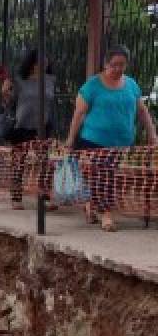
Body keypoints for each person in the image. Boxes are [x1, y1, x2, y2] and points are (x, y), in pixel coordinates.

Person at [64, 45, 158, 231]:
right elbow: (79, 114)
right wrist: (70, 139)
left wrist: (152, 133)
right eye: (114, 65)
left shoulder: (131, 84)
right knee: (104, 175)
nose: (118, 69)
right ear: (106, 63)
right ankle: (106, 215)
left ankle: (91, 205)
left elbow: (142, 111)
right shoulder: (92, 85)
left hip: (122, 142)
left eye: (122, 65)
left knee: (106, 176)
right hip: (94, 140)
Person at [2, 50, 56, 210]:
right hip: (21, 125)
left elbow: (52, 104)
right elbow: (10, 104)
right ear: (32, 64)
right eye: (41, 63)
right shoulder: (19, 81)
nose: (44, 66)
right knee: (19, 162)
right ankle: (16, 197)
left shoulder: (50, 80)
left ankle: (43, 198)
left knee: (45, 163)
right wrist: (5, 93)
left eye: (46, 63)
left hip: (43, 127)